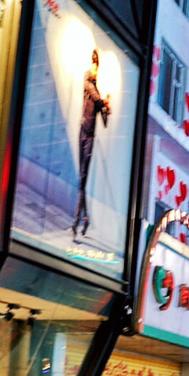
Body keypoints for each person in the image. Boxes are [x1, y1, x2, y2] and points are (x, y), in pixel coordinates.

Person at [73, 49, 112, 238]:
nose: (93, 68)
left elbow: (104, 120)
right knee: (82, 178)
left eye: (96, 65)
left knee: (83, 178)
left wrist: (107, 109)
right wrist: (104, 103)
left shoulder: (98, 96)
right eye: (93, 64)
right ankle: (84, 218)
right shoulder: (88, 82)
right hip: (82, 130)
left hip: (89, 136)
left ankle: (78, 220)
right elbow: (94, 94)